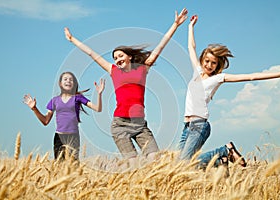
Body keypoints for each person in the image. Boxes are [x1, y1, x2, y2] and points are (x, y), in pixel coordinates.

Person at [64, 8, 188, 164]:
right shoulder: (113, 70)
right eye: (115, 58)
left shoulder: (143, 69)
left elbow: (160, 47)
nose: (117, 59)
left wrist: (175, 25)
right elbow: (91, 53)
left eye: (120, 55)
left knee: (154, 159)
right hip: (120, 124)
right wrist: (72, 39)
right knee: (134, 164)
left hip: (140, 124)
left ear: (129, 56)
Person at [179, 14, 280, 169]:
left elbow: (251, 77)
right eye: (207, 61)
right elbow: (191, 47)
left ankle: (225, 151)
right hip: (187, 126)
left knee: (184, 165)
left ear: (218, 65)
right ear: (202, 60)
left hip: (199, 125)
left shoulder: (218, 78)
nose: (209, 65)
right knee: (176, 166)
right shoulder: (196, 71)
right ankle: (221, 160)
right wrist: (190, 27)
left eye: (214, 63)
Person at [23, 72, 105, 160]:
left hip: (73, 137)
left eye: (71, 80)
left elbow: (98, 109)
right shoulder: (54, 100)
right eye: (65, 79)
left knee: (73, 167)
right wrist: (34, 108)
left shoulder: (78, 97)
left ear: (74, 84)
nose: (68, 81)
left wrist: (99, 94)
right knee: (59, 166)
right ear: (60, 83)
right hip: (59, 137)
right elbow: (45, 121)